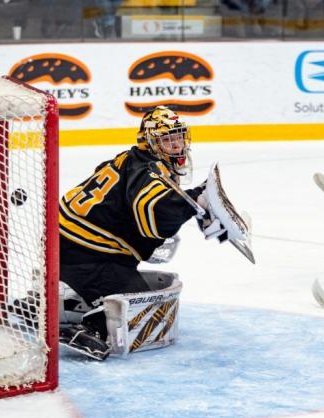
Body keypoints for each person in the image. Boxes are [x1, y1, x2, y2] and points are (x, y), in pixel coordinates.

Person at [57, 106, 219, 358]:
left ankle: (70, 296)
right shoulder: (148, 170)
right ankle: (88, 324)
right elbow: (153, 213)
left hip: (74, 242)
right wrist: (193, 201)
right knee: (138, 304)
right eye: (167, 139)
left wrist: (193, 199)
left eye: (178, 136)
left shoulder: (134, 159)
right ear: (149, 141)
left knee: (139, 293)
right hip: (82, 251)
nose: (176, 144)